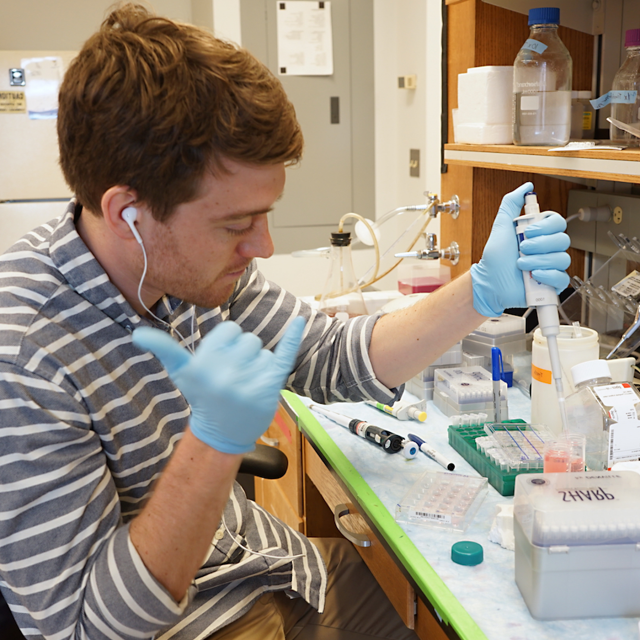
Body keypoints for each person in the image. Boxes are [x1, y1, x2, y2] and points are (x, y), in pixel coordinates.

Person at [0, 4, 570, 640]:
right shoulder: (25, 356)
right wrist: (212, 447)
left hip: (267, 575)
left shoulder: (189, 275)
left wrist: (481, 293)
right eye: (236, 223)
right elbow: (86, 629)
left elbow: (328, 354)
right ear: (127, 213)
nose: (264, 247)